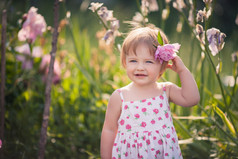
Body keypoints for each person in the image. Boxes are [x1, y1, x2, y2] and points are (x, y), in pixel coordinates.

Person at [100, 27, 200, 159]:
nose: (140, 67)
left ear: (162, 66)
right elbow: (109, 130)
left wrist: (182, 70)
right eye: (133, 60)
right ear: (125, 62)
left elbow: (192, 99)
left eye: (148, 61)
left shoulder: (165, 90)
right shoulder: (120, 97)